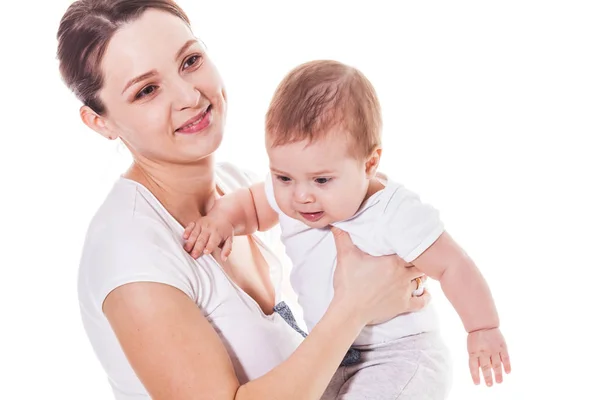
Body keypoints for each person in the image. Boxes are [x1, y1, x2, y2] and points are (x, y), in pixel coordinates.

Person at [57, 1, 430, 399]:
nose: (189, 95)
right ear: (100, 121)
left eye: (190, 61)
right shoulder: (130, 252)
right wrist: (355, 306)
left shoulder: (242, 188)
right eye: (147, 90)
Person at [184, 60, 512, 399]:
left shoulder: (393, 212)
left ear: (369, 164)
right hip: (333, 354)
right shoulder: (293, 194)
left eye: (322, 180)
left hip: (399, 355)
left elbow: (453, 264)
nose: (301, 196)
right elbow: (251, 206)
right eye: (283, 177)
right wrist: (220, 219)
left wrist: (482, 327)